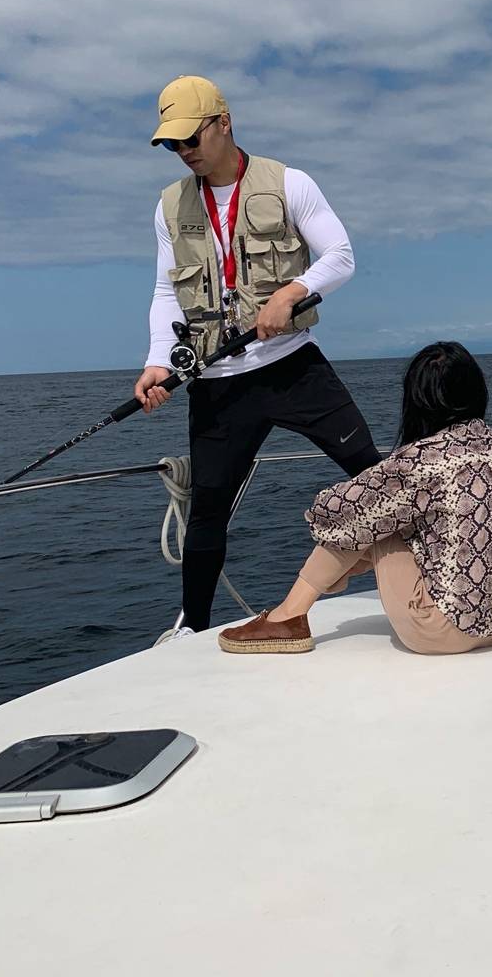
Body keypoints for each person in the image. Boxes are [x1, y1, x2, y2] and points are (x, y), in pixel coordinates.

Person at [133, 75, 383, 636]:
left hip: (294, 366)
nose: (184, 152)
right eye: (173, 144)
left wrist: (291, 294)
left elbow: (340, 255)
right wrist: (156, 359)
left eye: (191, 137)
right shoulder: (169, 205)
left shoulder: (289, 183)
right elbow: (164, 291)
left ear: (224, 123)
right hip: (217, 380)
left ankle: (436, 578)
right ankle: (192, 632)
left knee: (375, 475)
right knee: (207, 515)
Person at [218, 342, 492, 656]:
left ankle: (287, 616)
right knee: (387, 516)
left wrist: (347, 545)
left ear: (417, 398)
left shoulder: (425, 459)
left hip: (441, 632)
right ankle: (311, 596)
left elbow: (335, 513)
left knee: (366, 516)